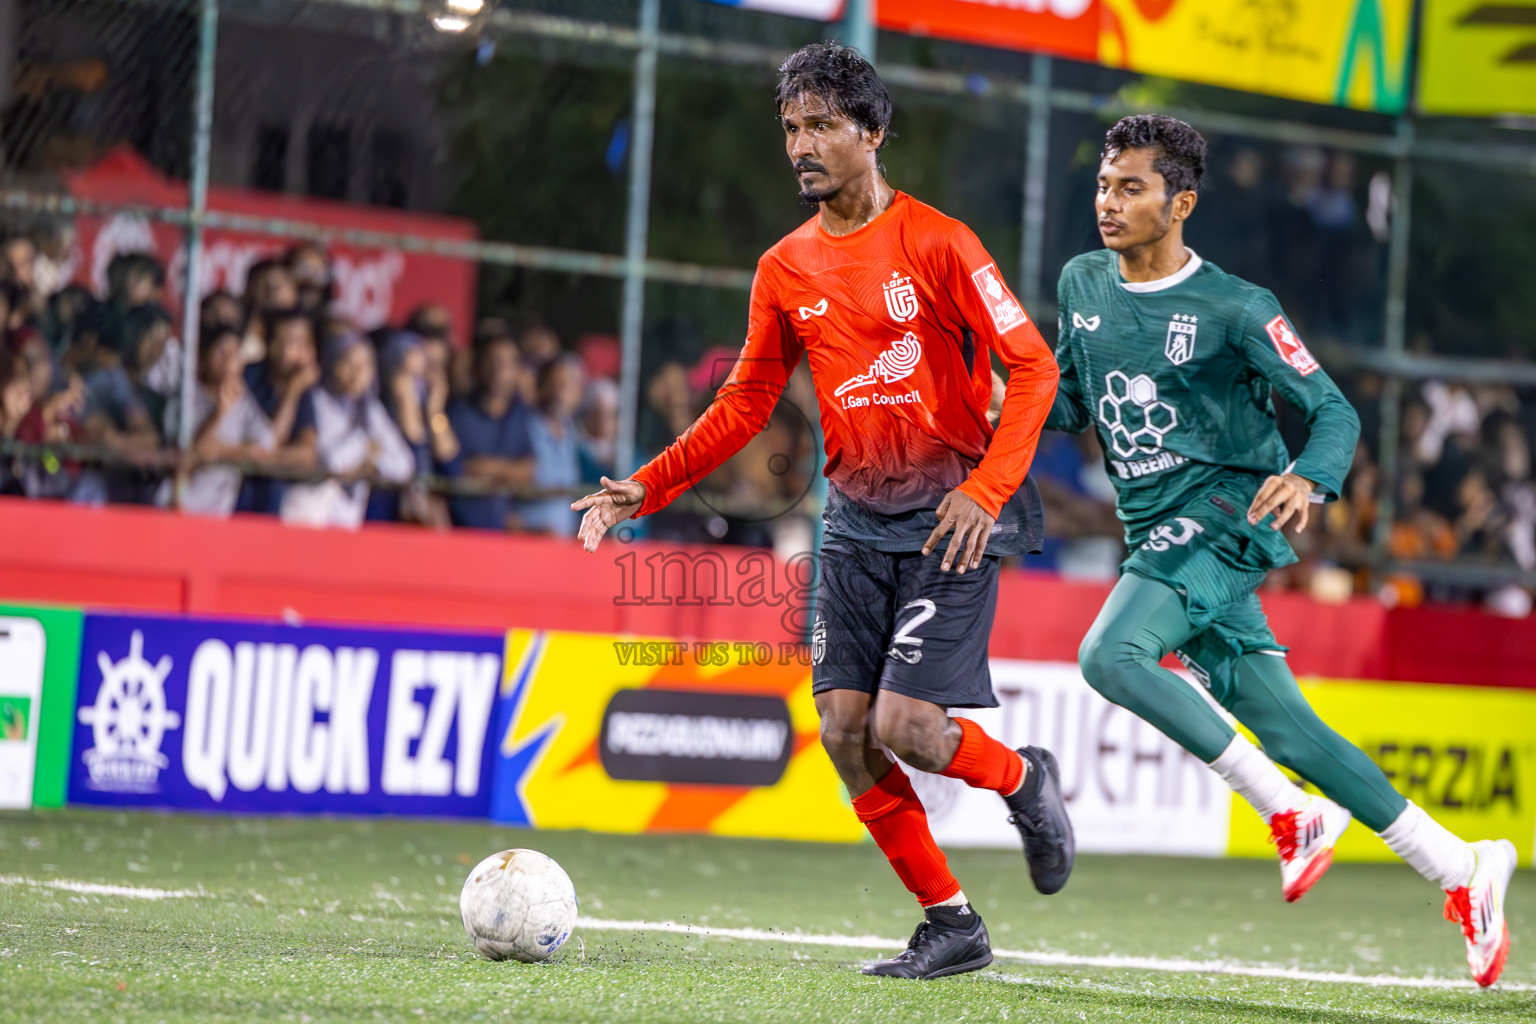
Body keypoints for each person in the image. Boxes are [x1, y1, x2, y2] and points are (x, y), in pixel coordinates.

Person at [571, 43, 1073, 981]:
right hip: (852, 520)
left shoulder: (941, 242)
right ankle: (951, 922)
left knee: (908, 730)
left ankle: (1023, 778)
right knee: (844, 729)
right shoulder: (784, 266)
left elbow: (1034, 368)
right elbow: (745, 405)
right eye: (790, 128)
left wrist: (985, 488)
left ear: (872, 133)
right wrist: (649, 484)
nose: (800, 145)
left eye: (819, 126)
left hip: (952, 518)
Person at [1048, 114, 1515, 987]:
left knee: (1111, 655)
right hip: (1158, 531)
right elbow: (1075, 404)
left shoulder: (1235, 307)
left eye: (1132, 187)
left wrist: (1311, 477)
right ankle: (1462, 865)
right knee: (1288, 727)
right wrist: (1005, 401)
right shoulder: (1081, 283)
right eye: (1105, 185)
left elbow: (1335, 412)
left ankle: (1287, 812)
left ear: (1180, 202)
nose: (1109, 202)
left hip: (1232, 508)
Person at [280, 333, 413, 528]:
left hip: (348, 521)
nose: (357, 372)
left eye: (365, 365)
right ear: (333, 362)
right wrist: (364, 445)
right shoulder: (316, 401)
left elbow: (404, 466)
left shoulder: (371, 410)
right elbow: (330, 462)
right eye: (349, 363)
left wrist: (370, 464)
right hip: (307, 516)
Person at [163, 326, 276, 516]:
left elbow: (266, 444)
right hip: (179, 504)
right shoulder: (185, 396)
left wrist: (219, 451)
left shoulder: (243, 401)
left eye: (235, 353)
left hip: (219, 511)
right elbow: (190, 456)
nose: (229, 360)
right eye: (221, 351)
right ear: (204, 358)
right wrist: (220, 413)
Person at [446, 334, 535, 531]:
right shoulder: (457, 413)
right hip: (458, 530)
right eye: (493, 361)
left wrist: (488, 468)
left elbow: (528, 470)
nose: (499, 371)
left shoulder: (519, 413)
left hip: (501, 530)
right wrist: (507, 472)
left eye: (507, 363)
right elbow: (457, 470)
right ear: (478, 366)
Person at [521, 354, 584, 536]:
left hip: (560, 547)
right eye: (556, 383)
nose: (560, 392)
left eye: (568, 385)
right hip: (524, 540)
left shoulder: (571, 432)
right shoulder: (524, 425)